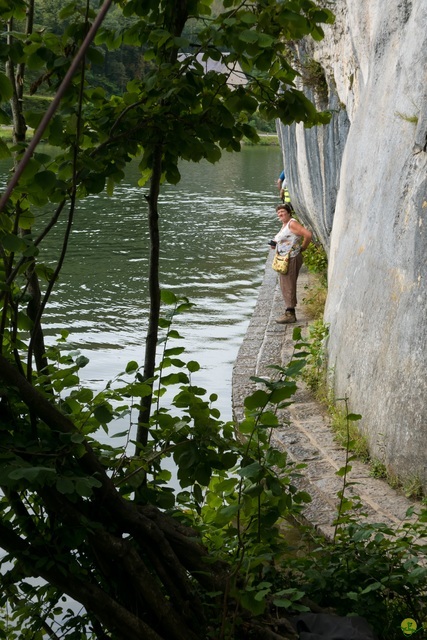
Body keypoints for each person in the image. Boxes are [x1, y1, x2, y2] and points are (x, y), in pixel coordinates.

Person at [270, 203, 312, 324]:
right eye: (278, 213)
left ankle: (290, 314)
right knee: (285, 284)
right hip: (285, 258)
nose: (280, 214)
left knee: (288, 284)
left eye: (282, 212)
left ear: (289, 212)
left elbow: (308, 235)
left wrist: (302, 248)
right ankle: (289, 311)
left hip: (291, 258)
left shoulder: (292, 223)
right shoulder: (285, 225)